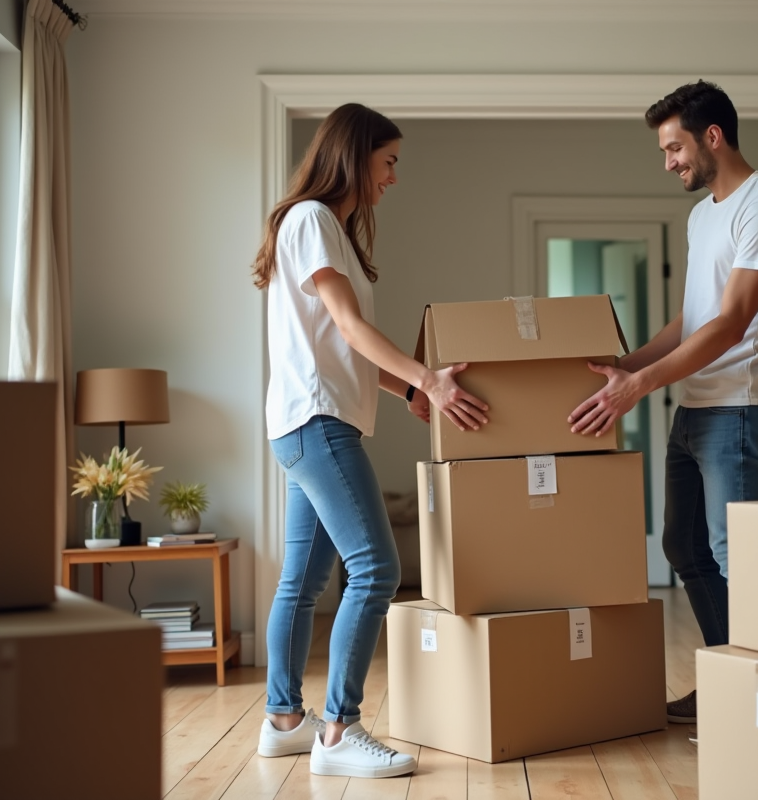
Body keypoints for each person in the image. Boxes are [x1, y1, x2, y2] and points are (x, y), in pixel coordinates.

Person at [250, 102, 489, 778]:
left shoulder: (320, 228)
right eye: (389, 162)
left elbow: (339, 349)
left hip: (305, 421)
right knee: (377, 568)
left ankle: (283, 720)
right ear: (356, 156)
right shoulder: (314, 221)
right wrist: (428, 380)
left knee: (301, 582)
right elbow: (352, 331)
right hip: (318, 424)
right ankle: (338, 732)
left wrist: (411, 391)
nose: (393, 177)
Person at [568, 81, 758, 725]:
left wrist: (638, 388)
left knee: (738, 558)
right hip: (696, 409)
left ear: (713, 137)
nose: (668, 161)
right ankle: (732, 675)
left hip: (743, 408)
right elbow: (693, 317)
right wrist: (629, 363)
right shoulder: (704, 215)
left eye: (674, 147)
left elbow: (729, 325)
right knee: (683, 548)